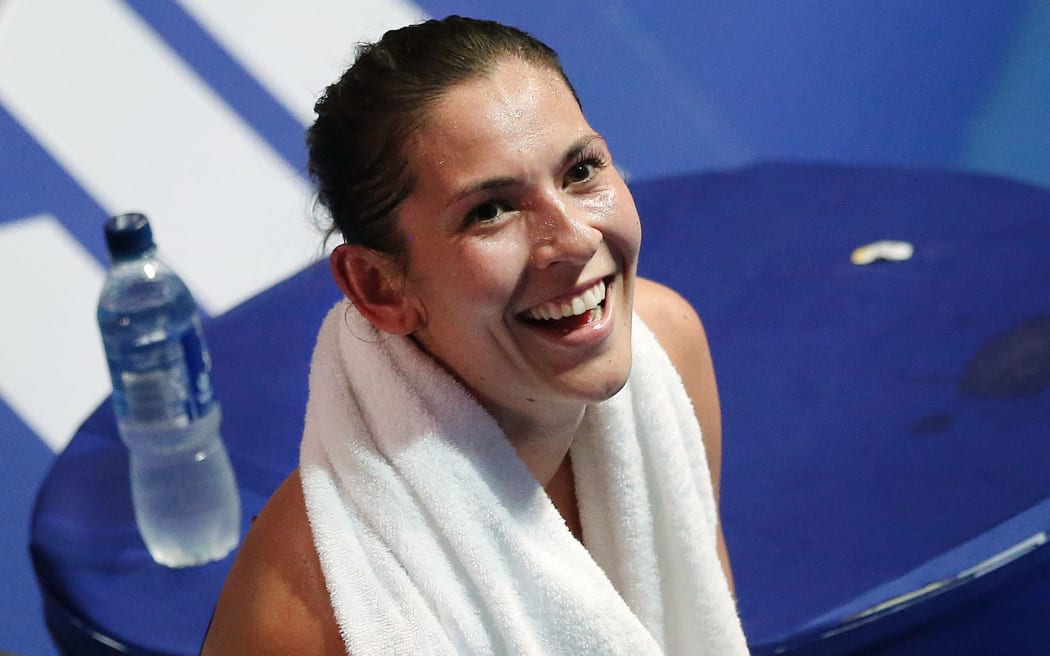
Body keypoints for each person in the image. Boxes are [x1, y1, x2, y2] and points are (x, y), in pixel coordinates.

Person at [203, 15, 748, 655]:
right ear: (379, 288)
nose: (573, 239)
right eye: (489, 210)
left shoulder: (666, 341)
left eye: (581, 171)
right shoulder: (309, 613)